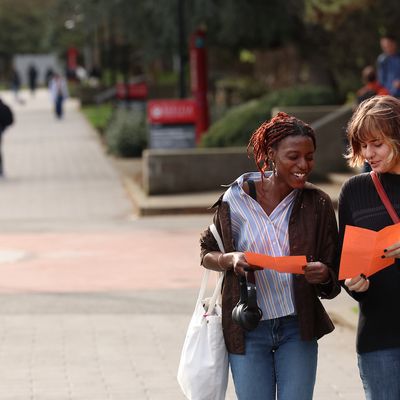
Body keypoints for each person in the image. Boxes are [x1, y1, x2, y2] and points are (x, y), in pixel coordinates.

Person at [200, 112, 340, 400]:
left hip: (296, 327)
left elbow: (334, 275)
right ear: (271, 155)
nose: (304, 165)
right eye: (293, 156)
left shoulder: (318, 203)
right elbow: (206, 253)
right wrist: (231, 259)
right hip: (247, 327)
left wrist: (324, 273)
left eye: (309, 157)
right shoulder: (235, 199)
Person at [338, 95, 400, 400]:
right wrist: (353, 284)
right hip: (379, 338)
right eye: (363, 145)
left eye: (377, 143)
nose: (368, 153)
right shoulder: (355, 191)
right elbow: (345, 266)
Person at [356, 66, 389, 172]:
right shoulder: (383, 92)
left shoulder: (361, 94)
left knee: (367, 163)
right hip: (381, 131)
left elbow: (356, 114)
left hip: (363, 132)